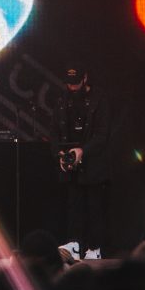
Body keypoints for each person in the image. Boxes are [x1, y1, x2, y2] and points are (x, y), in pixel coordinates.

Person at [50, 64, 111, 260]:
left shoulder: (99, 99)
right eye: (69, 83)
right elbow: (54, 132)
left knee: (94, 207)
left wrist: (82, 151)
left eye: (76, 83)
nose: (73, 87)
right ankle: (74, 244)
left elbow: (102, 134)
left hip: (93, 162)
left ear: (85, 78)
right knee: (73, 205)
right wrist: (60, 153)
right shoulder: (62, 100)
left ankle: (95, 248)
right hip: (70, 162)